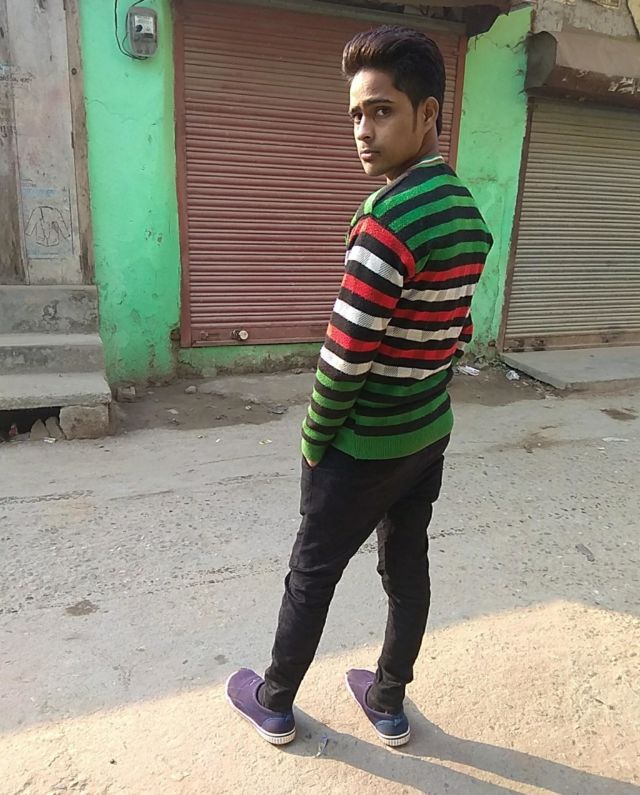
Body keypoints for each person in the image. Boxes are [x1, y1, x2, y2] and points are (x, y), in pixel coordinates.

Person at [226, 24, 492, 748]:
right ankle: (388, 701)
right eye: (355, 114)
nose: (363, 131)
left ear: (427, 114)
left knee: (311, 573)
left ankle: (275, 701)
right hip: (427, 434)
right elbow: (455, 330)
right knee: (407, 568)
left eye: (381, 110)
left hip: (363, 444)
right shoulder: (467, 214)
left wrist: (315, 439)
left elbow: (345, 357)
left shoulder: (386, 222)